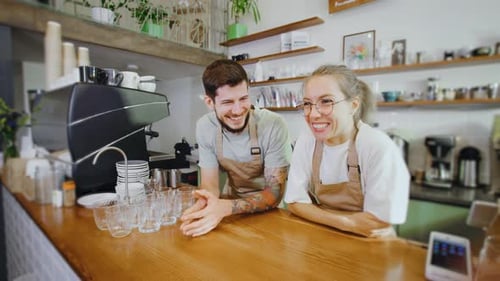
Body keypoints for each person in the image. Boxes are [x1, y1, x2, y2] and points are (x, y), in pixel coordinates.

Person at [284, 65, 410, 238]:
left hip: (369, 244)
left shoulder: (377, 146)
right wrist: (347, 223)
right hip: (323, 236)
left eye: (326, 101)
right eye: (307, 104)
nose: (313, 114)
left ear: (354, 105)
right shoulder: (308, 139)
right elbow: (294, 202)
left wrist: (317, 213)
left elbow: (375, 223)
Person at [179, 59, 292, 237]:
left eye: (243, 98)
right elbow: (210, 184)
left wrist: (226, 207)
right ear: (210, 102)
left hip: (270, 213)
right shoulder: (205, 127)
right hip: (229, 211)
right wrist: (204, 204)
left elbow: (274, 193)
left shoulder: (273, 125)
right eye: (228, 102)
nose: (238, 110)